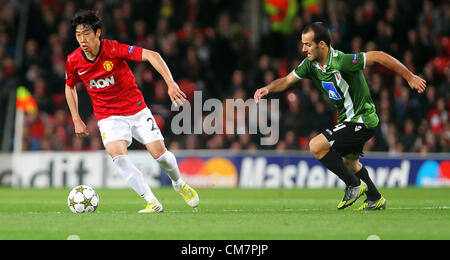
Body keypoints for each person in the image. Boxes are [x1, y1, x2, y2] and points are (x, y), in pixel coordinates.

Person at [254, 22, 426, 210]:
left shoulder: (342, 61)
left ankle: (353, 185)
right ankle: (375, 198)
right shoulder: (310, 65)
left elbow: (378, 56)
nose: (303, 49)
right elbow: (287, 80)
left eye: (308, 44)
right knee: (350, 163)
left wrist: (409, 77)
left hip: (362, 119)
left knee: (316, 145)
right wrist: (268, 88)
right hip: (348, 120)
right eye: (303, 44)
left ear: (322, 45)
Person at [65, 10, 199, 213]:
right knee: (118, 157)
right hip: (108, 116)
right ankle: (152, 201)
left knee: (160, 155)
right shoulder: (74, 60)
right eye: (78, 35)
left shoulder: (114, 49)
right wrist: (76, 118)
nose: (82, 39)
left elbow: (152, 55)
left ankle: (179, 183)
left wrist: (170, 83)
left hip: (136, 110)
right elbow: (70, 86)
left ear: (98, 32)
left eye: (86, 33)